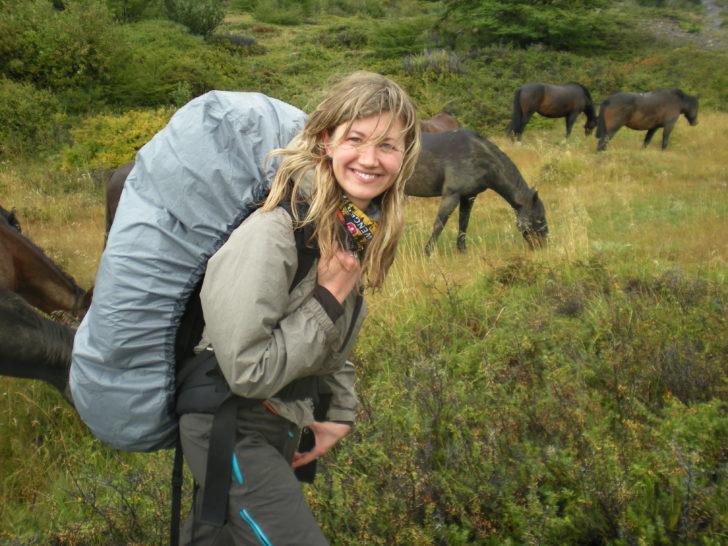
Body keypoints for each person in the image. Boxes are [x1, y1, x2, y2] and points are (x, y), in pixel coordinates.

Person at [178, 71, 421, 545]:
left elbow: (334, 338)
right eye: (356, 139)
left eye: (388, 145)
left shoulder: (349, 225)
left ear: (405, 155)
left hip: (279, 420)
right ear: (326, 140)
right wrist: (327, 296)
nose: (370, 159)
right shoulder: (273, 230)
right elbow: (248, 371)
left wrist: (338, 413)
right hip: (229, 425)